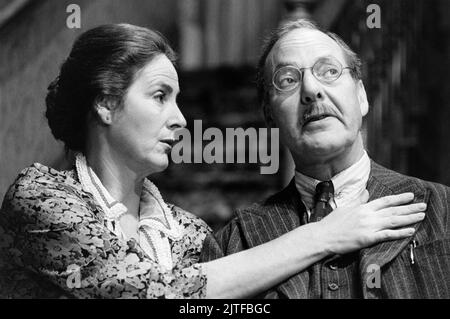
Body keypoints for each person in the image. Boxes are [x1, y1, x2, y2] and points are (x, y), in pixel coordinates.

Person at [0, 23, 426, 299]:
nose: (181, 118)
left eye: (179, 99)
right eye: (160, 96)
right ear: (107, 104)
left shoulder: (188, 232)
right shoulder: (42, 197)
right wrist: (323, 236)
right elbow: (153, 293)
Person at [201, 19, 450, 299]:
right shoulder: (235, 240)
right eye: (288, 80)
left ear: (361, 96)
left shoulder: (442, 209)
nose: (311, 90)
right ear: (269, 116)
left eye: (329, 71)